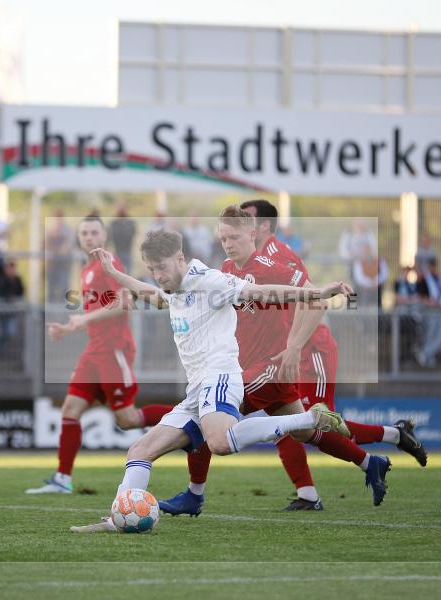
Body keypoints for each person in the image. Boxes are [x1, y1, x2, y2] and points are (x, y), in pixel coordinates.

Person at [69, 229, 353, 533]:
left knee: (219, 442)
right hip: (197, 389)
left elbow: (262, 292)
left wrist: (318, 293)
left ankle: (310, 417)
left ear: (180, 258)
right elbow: (152, 294)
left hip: (220, 377)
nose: (158, 275)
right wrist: (114, 272)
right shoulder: (175, 286)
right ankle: (118, 520)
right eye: (152, 269)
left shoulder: (210, 281)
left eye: (161, 268)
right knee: (139, 452)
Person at [160, 206, 397, 519]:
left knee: (210, 413)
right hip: (251, 367)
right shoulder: (227, 268)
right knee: (304, 432)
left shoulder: (271, 266)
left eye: (233, 237)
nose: (227, 243)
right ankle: (370, 462)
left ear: (253, 233)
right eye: (223, 238)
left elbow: (316, 299)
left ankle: (194, 494)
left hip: (268, 368)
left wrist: (294, 347)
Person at [28, 216, 174, 495]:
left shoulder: (109, 263)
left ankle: (187, 416)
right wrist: (71, 327)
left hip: (113, 349)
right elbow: (96, 313)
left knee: (127, 419)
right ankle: (62, 478)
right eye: (83, 233)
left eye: (94, 232)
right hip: (94, 351)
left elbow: (126, 302)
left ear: (104, 235)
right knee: (70, 409)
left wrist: (82, 321)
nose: (88, 237)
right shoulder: (86, 270)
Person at [415, 259, 441, 368]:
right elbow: (419, 295)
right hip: (429, 310)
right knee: (430, 334)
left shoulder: (438, 279)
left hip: (439, 309)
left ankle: (424, 353)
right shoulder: (423, 279)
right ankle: (428, 357)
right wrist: (428, 301)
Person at [0, 260, 24, 358]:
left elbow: (21, 292)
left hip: (11, 312)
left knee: (10, 332)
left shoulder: (17, 279)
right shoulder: (1, 279)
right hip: (0, 312)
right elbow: (0, 293)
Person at [45, 210, 74, 303]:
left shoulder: (68, 230)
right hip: (52, 266)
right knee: (51, 290)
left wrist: (60, 249)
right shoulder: (50, 230)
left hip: (64, 265)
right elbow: (46, 246)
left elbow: (67, 248)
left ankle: (64, 314)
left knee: (64, 288)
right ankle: (51, 314)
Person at [108, 205, 137, 272]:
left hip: (127, 251)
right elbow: (110, 237)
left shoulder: (130, 222)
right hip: (116, 251)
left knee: (128, 273)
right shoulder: (113, 223)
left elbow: (132, 234)